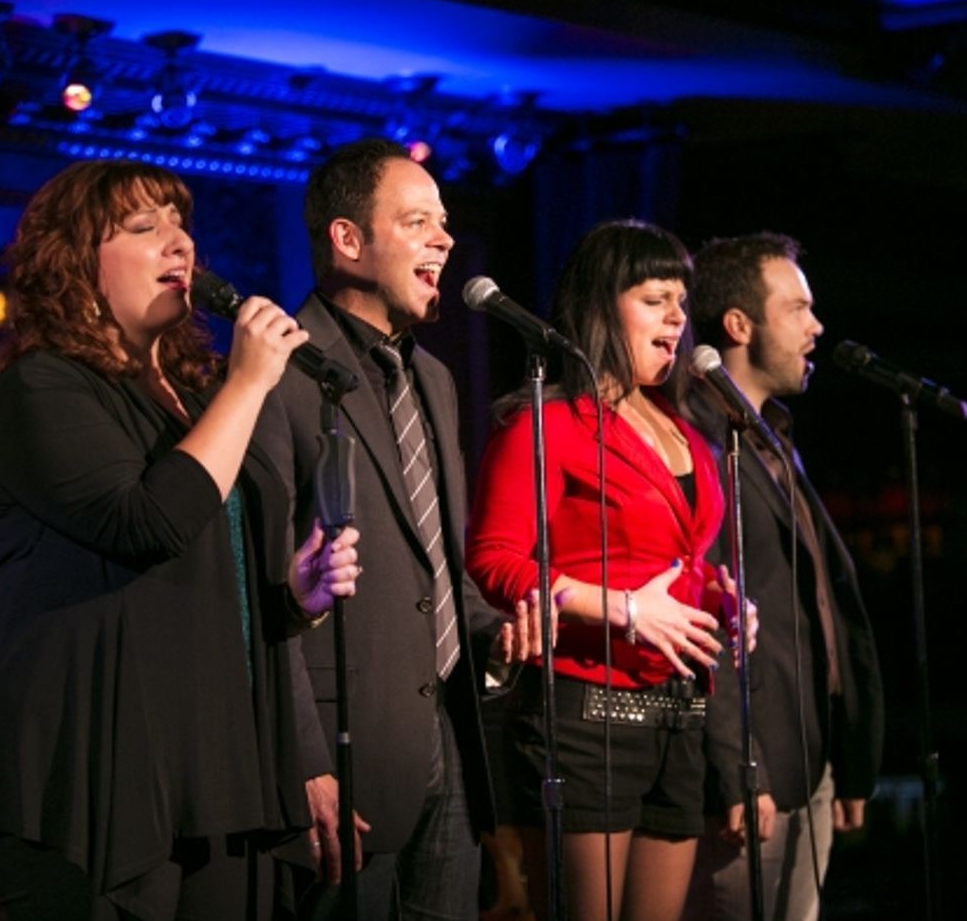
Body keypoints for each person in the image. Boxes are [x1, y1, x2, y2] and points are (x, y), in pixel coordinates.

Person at [0, 160, 359, 920]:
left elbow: (210, 570)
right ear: (75, 264)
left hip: (215, 766)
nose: (180, 243)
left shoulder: (197, 395)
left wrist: (291, 597)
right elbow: (148, 524)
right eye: (145, 228)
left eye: (180, 223)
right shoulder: (40, 389)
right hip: (95, 775)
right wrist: (247, 383)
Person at [246, 138, 539, 920]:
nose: (445, 239)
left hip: (446, 747)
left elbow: (437, 563)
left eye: (444, 223)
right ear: (348, 239)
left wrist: (490, 630)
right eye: (417, 222)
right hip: (345, 765)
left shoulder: (434, 378)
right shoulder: (275, 372)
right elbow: (255, 590)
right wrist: (301, 760)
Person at [467, 219, 730, 921]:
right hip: (588, 714)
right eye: (655, 298)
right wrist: (621, 607)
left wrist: (721, 600)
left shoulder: (680, 426)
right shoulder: (546, 424)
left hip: (681, 711)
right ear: (601, 305)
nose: (678, 317)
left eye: (682, 299)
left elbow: (678, 558)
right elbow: (492, 562)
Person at [686, 232, 884, 921]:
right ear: (739, 325)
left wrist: (847, 758)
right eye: (797, 307)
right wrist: (739, 765)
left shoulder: (771, 436)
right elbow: (707, 614)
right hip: (756, 772)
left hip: (809, 757)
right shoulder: (701, 444)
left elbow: (824, 606)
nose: (816, 325)